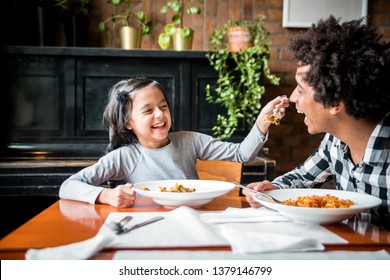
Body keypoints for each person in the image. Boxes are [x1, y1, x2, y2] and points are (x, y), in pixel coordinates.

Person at [243, 15, 390, 230]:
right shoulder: (335, 142)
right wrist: (272, 187)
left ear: (335, 102)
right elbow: (303, 178)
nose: (292, 98)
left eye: (300, 90)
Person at [59, 76, 289, 208]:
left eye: (163, 106)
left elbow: (242, 155)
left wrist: (263, 120)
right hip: (146, 227)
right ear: (128, 122)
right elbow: (67, 186)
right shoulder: (124, 157)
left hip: (196, 221)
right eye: (148, 110)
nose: (159, 115)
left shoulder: (190, 141)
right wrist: (105, 195)